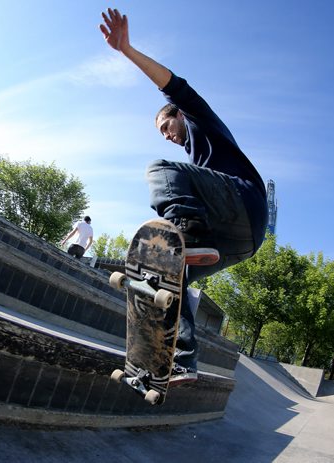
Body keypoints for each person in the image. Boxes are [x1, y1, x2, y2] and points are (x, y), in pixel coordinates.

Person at [99, 8, 268, 384]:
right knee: (173, 278)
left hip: (246, 204)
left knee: (160, 169)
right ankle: (181, 360)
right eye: (161, 132)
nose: (167, 135)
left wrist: (127, 50)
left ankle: (189, 234)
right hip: (241, 241)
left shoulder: (200, 120)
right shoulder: (197, 170)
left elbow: (172, 83)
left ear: (179, 115)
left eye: (166, 126)